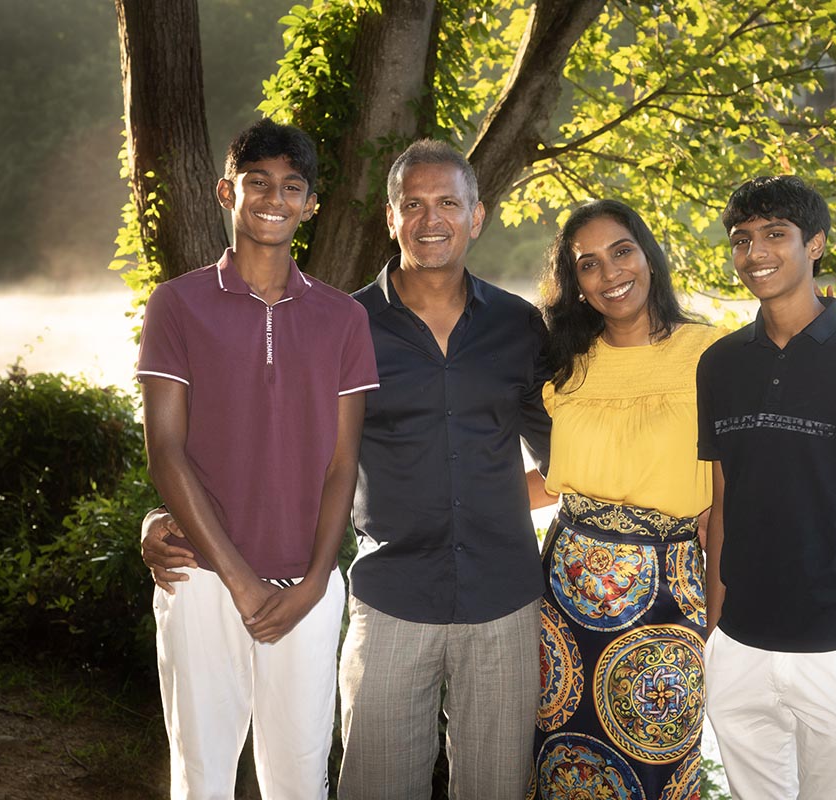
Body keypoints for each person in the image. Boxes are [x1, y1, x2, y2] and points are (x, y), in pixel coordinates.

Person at [144, 139, 553, 799]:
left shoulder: (519, 325)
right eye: (412, 204)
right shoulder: (348, 320)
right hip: (389, 596)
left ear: (477, 216)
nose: (431, 219)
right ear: (390, 219)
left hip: (503, 597)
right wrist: (162, 515)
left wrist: (483, 500)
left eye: (448, 203)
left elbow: (568, 457)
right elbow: (274, 444)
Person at [136, 118, 378, 799]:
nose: (274, 198)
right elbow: (166, 450)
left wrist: (312, 582)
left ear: (311, 204)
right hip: (201, 580)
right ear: (226, 191)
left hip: (307, 587)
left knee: (300, 779)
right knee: (202, 777)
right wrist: (240, 579)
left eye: (292, 187)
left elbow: (342, 463)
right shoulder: (178, 304)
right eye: (258, 183)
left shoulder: (342, 319)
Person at [697, 175, 836, 799]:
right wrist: (716, 629)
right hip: (738, 648)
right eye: (741, 239)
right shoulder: (720, 364)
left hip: (834, 653)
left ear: (814, 244)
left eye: (775, 235)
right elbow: (723, 504)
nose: (756, 252)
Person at [531, 200, 722, 799]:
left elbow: (725, 498)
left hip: (668, 599)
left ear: (648, 255)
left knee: (657, 768)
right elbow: (558, 479)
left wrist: (720, 614)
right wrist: (446, 507)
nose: (610, 272)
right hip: (563, 606)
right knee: (564, 764)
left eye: (621, 251)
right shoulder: (567, 366)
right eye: (588, 264)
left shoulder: (711, 355)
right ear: (577, 285)